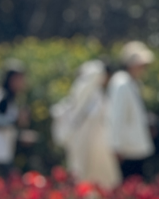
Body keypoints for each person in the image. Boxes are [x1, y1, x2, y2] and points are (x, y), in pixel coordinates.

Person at [51, 60, 121, 190]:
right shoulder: (90, 94)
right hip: (86, 141)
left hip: (94, 143)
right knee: (83, 174)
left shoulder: (94, 94)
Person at [108, 41, 156, 179]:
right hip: (127, 150)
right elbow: (116, 115)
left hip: (135, 148)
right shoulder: (121, 83)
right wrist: (116, 146)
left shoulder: (131, 82)